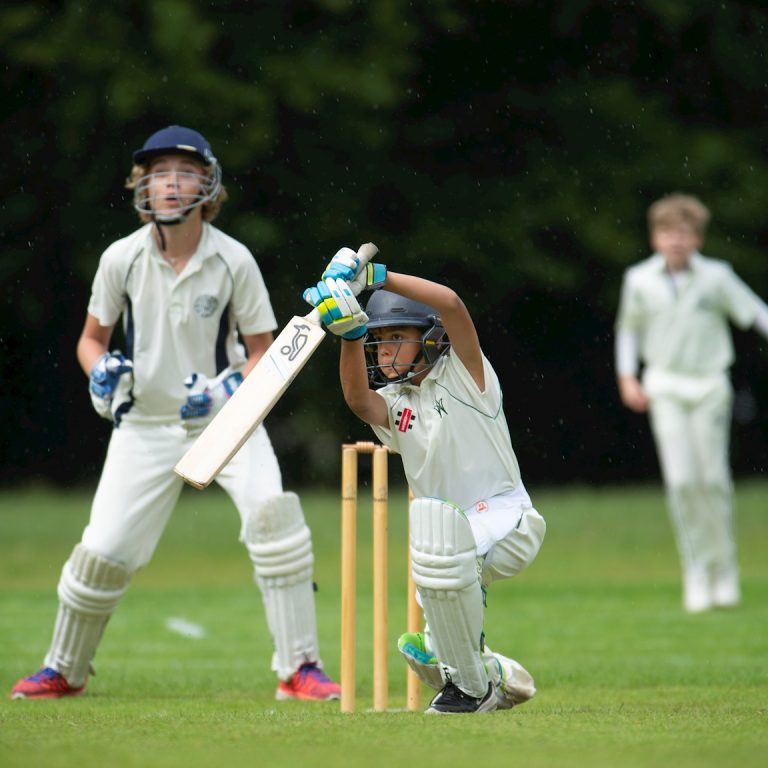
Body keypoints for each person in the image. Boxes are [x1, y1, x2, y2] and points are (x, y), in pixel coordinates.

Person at [11, 126, 340, 701]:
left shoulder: (234, 259)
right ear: (143, 185)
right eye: (159, 172)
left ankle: (299, 669)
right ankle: (64, 669)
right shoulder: (121, 258)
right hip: (145, 425)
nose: (170, 182)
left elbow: (264, 353)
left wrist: (223, 392)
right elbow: (90, 340)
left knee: (275, 521)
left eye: (184, 171)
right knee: (102, 553)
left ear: (207, 185)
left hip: (228, 420)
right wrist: (102, 373)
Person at [303, 251, 546, 714]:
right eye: (378, 341)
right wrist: (349, 337)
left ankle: (472, 687)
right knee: (432, 583)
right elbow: (358, 399)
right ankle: (487, 675)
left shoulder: (466, 375)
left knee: (443, 558)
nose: (385, 350)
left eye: (397, 337)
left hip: (507, 515)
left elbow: (452, 304)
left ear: (431, 339)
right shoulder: (396, 404)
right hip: (449, 533)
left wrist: (378, 277)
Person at [615, 193, 768, 613]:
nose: (675, 241)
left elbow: (753, 311)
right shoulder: (639, 280)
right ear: (655, 238)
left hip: (709, 386)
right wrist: (627, 376)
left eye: (683, 233)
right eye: (667, 233)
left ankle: (725, 567)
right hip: (664, 385)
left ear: (697, 238)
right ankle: (696, 570)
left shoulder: (716, 277)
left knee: (713, 480)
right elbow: (628, 330)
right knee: (682, 482)